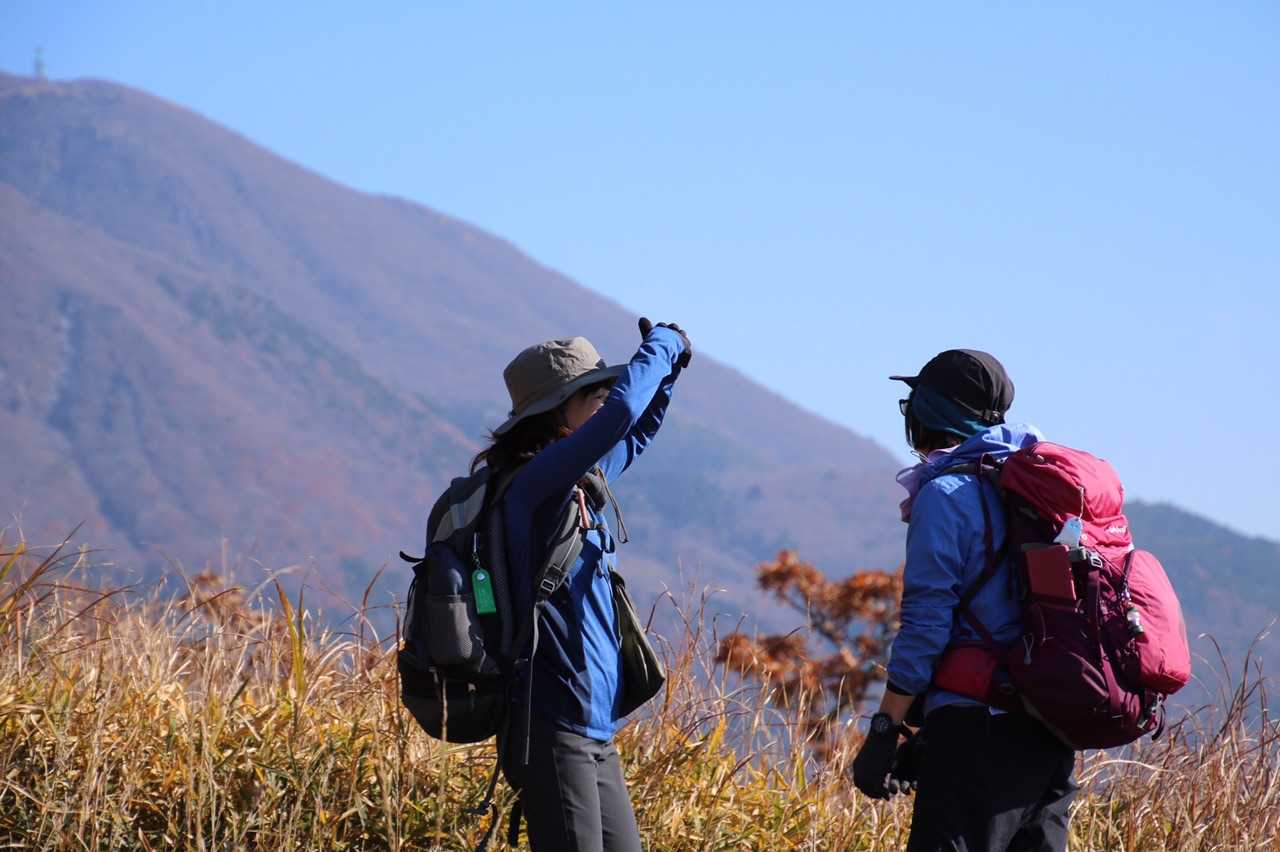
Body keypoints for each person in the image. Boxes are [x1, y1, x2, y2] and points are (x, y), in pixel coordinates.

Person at [474, 318, 691, 852]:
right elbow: (623, 415)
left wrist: (668, 375)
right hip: (550, 726)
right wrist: (664, 345)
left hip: (593, 729)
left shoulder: (576, 483)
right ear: (557, 412)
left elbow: (636, 432)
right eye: (593, 394)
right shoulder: (535, 486)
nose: (605, 402)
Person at [851, 349, 1077, 852]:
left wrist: (885, 729)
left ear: (930, 412)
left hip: (977, 733)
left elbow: (925, 625)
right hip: (1047, 731)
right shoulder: (1031, 490)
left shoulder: (947, 494)